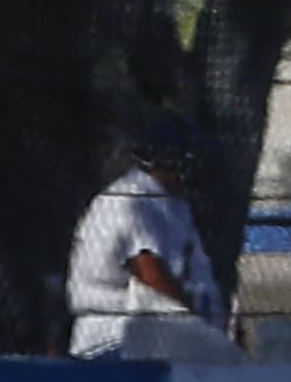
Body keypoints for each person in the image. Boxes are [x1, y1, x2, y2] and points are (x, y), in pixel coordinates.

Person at [64, 106, 238, 360]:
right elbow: (152, 275)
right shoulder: (131, 199)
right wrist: (200, 331)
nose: (199, 170)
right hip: (114, 339)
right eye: (193, 159)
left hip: (161, 338)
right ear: (175, 160)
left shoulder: (175, 204)